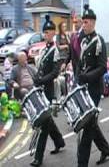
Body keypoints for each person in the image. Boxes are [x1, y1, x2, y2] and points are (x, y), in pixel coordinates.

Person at [76, 4, 109, 167]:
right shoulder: (83, 40)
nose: (84, 25)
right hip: (83, 88)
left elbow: (103, 67)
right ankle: (105, 149)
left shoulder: (99, 41)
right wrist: (77, 79)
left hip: (94, 89)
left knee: (87, 128)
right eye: (83, 22)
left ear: (93, 23)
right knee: (91, 124)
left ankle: (81, 163)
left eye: (87, 22)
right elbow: (80, 63)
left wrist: (87, 77)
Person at [31, 15, 66, 167]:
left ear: (53, 33)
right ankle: (59, 141)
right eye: (44, 32)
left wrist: (42, 80)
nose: (46, 34)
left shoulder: (55, 50)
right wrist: (36, 80)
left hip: (49, 90)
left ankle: (38, 157)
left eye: (49, 32)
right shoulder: (44, 49)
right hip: (41, 89)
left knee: (44, 126)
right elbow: (41, 69)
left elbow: (54, 73)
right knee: (48, 121)